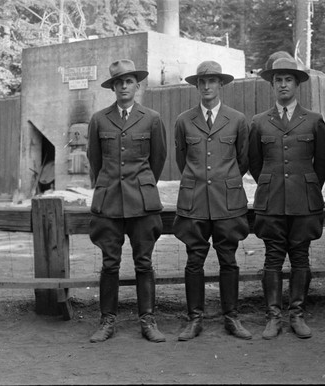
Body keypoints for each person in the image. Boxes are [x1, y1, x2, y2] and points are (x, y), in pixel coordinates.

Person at [249, 57, 325, 340]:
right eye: (278, 80)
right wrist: (274, 185)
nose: (283, 85)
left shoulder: (313, 120)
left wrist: (305, 187)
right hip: (271, 201)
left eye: (288, 80)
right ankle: (273, 317)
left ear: (297, 85)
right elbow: (255, 163)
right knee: (272, 259)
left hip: (303, 201)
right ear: (272, 85)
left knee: (300, 258)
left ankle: (297, 315)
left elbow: (322, 162)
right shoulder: (259, 122)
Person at [86, 59, 167, 343]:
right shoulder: (99, 119)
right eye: (118, 82)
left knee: (144, 263)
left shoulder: (152, 118)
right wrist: (109, 185)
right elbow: (95, 162)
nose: (124, 86)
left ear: (137, 85)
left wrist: (142, 185)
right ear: (113, 87)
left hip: (142, 203)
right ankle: (107, 321)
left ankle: (148, 320)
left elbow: (158, 160)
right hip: (108, 203)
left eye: (129, 81)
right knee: (110, 264)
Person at [173, 60, 252, 341]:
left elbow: (243, 160)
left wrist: (224, 181)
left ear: (221, 85)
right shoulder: (184, 120)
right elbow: (183, 159)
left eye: (212, 81)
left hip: (227, 200)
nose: (207, 86)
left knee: (228, 260)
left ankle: (231, 317)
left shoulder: (238, 119)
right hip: (194, 200)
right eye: (202, 82)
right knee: (194, 261)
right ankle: (195, 319)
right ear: (196, 86)